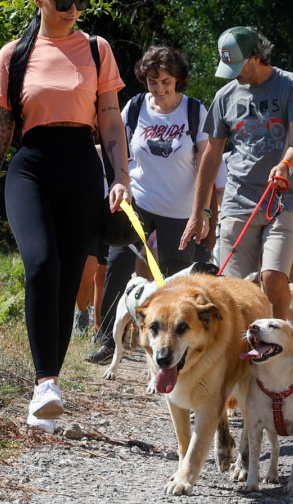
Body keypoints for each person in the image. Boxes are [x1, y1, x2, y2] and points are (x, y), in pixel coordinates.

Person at [0, 0, 129, 433]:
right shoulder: (14, 54)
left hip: (82, 165)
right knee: (41, 264)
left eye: (80, 1)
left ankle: (51, 387)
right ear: (40, 0)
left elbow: (111, 120)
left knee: (67, 275)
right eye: (64, 2)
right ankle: (43, 384)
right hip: (31, 166)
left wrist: (120, 175)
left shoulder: (97, 50)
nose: (74, 10)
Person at [179, 26, 293, 318]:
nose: (234, 73)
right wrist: (199, 212)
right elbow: (212, 155)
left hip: (282, 197)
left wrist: (285, 165)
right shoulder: (225, 96)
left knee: (272, 276)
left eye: (238, 66)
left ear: (256, 56)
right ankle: (242, 354)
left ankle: (278, 343)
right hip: (238, 199)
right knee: (233, 287)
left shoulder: (292, 85)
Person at [86, 45, 208, 365]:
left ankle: (175, 348)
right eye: (152, 81)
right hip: (138, 202)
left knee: (174, 280)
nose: (159, 88)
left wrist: (206, 211)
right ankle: (109, 342)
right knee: (118, 266)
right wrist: (117, 182)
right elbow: (116, 148)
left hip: (180, 210)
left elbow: (211, 165)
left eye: (166, 80)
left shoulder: (195, 112)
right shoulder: (136, 108)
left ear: (178, 79)